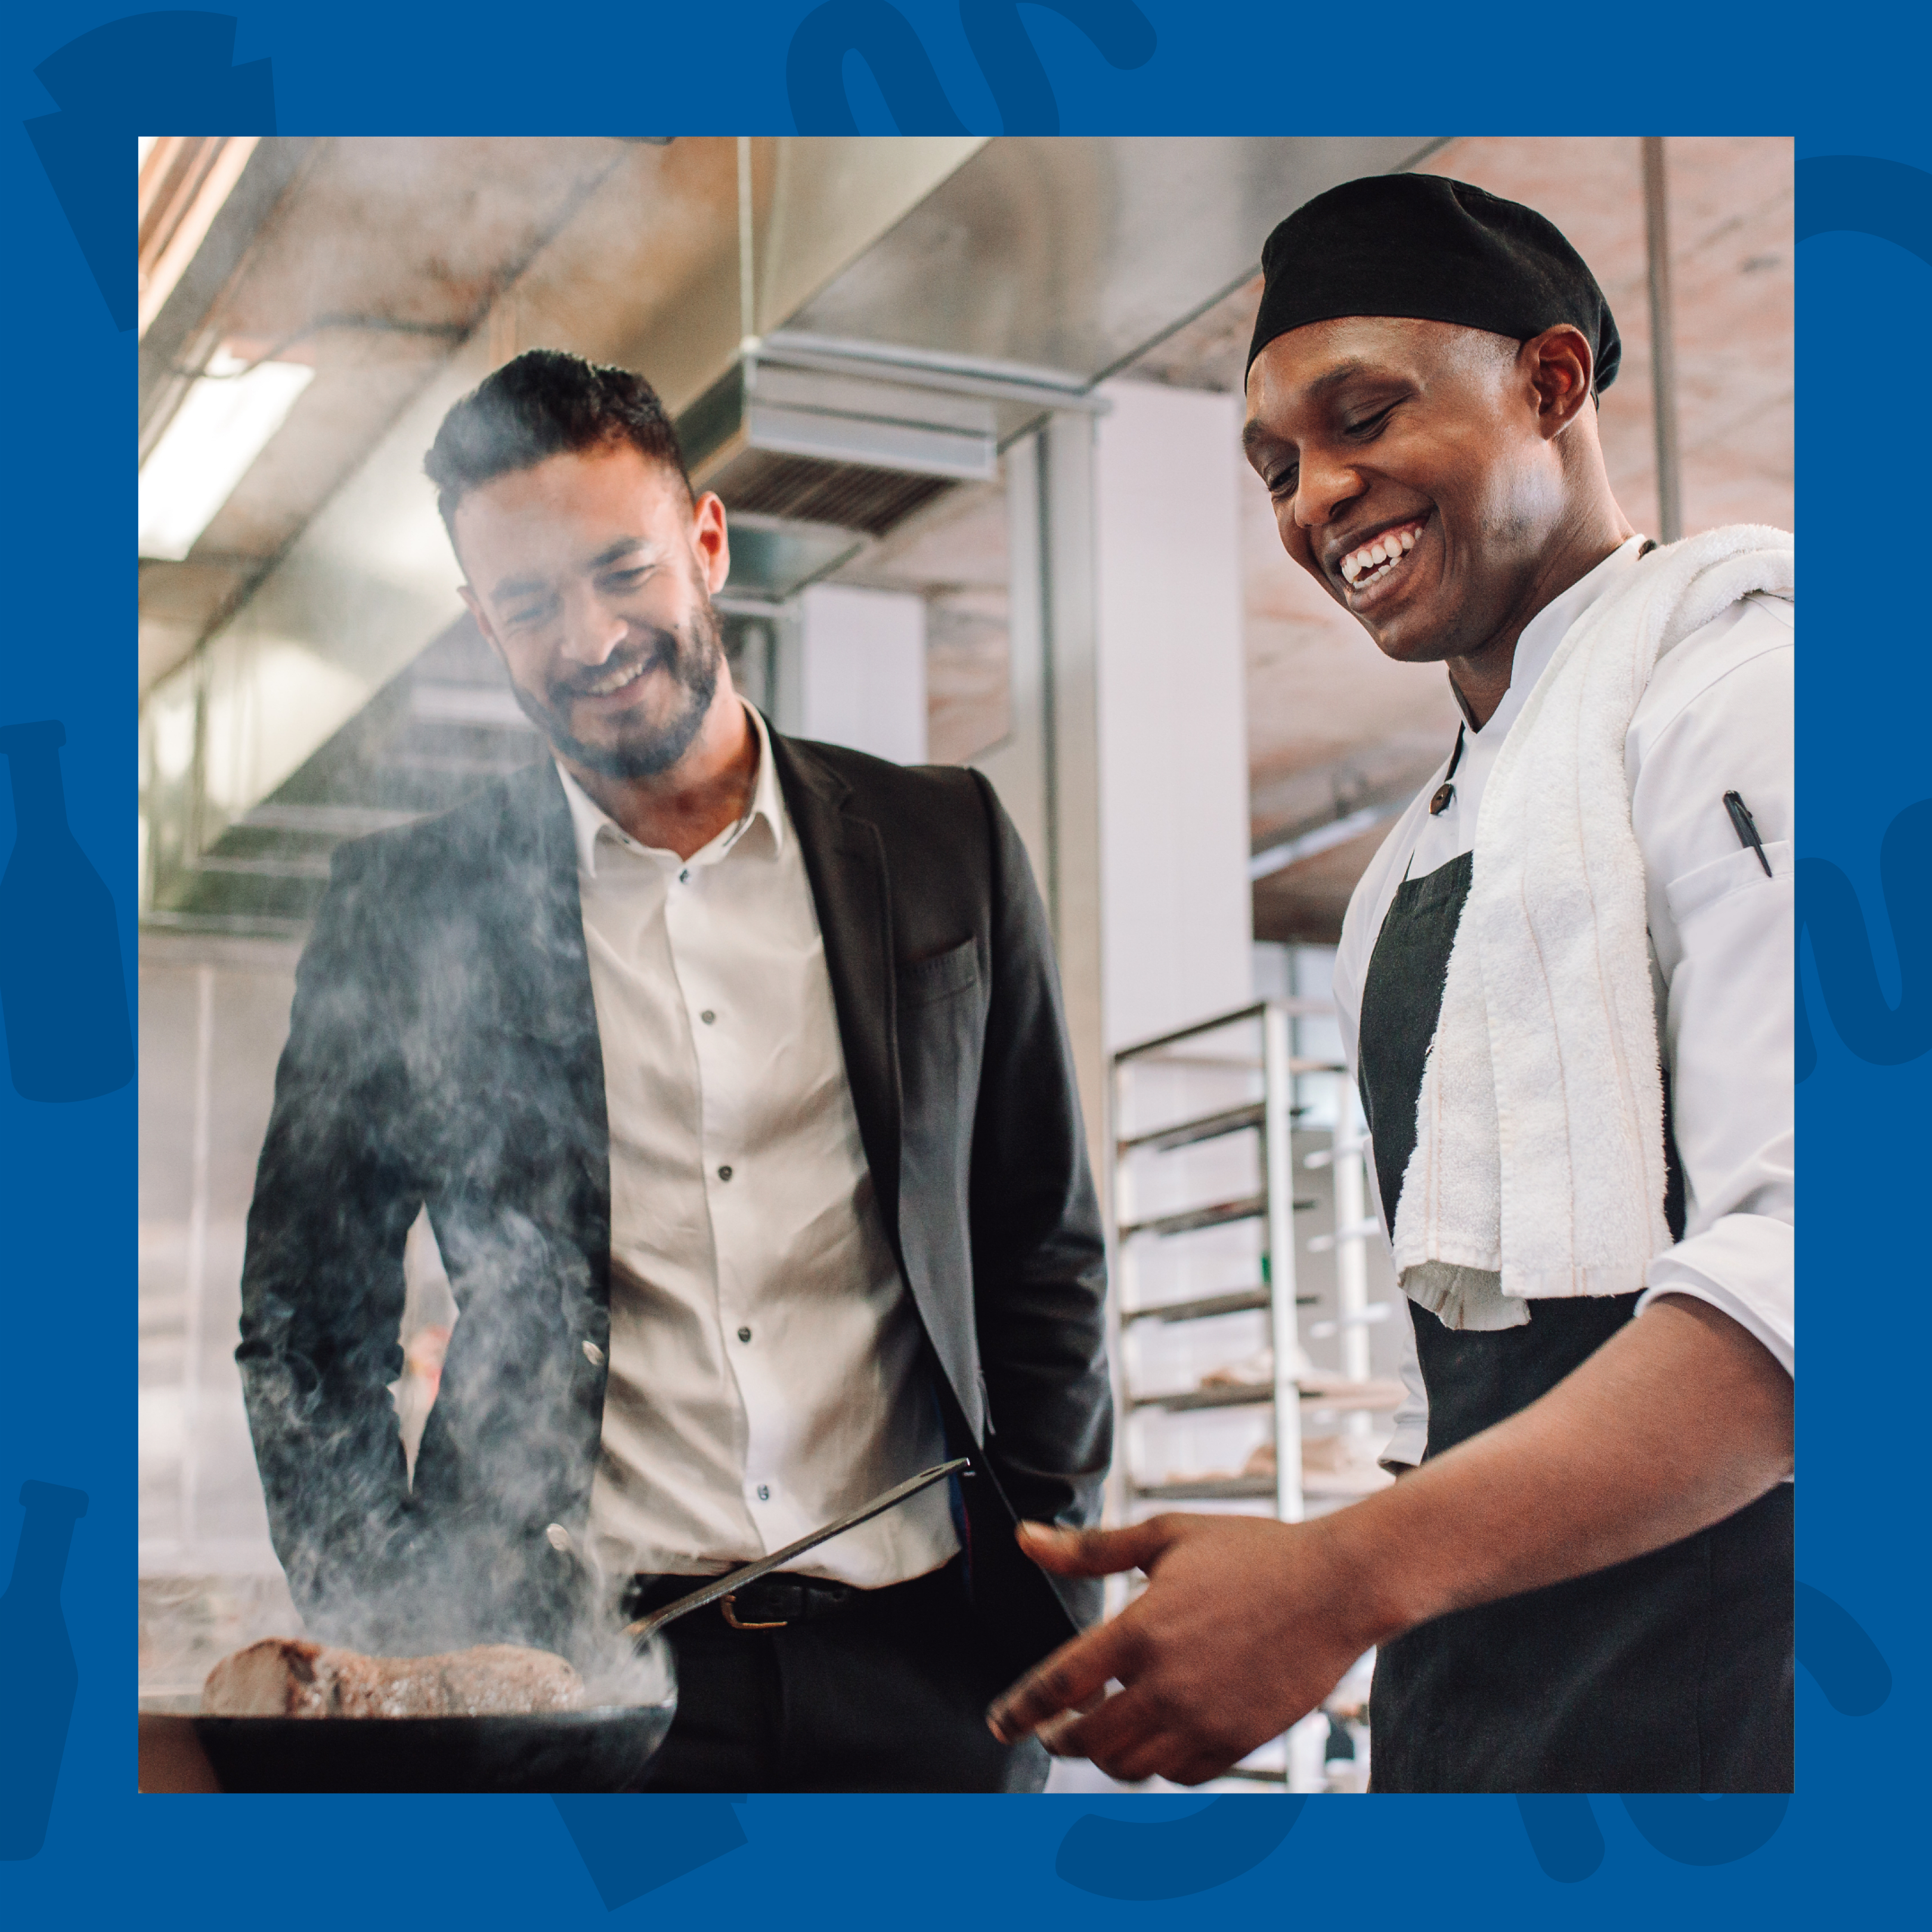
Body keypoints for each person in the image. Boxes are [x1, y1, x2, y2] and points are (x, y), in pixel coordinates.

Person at [986, 174, 1794, 1792]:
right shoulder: (1402, 881)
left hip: (1753, 1712)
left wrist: (1348, 1573)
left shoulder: (1747, 697)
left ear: (1551, 384)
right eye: (1277, 466)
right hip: (1485, 1715)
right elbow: (1495, 1362)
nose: (1315, 499)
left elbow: (1817, 1281)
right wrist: (1326, 1574)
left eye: (1365, 416)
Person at [237, 349, 1111, 1792]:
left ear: (705, 543)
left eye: (619, 571)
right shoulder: (405, 911)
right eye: (525, 604)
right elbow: (304, 1322)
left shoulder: (943, 841)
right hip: (563, 1689)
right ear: (480, 621)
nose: (586, 638)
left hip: (931, 1683)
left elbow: (1041, 1245)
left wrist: (1041, 1567)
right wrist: (399, 1627)